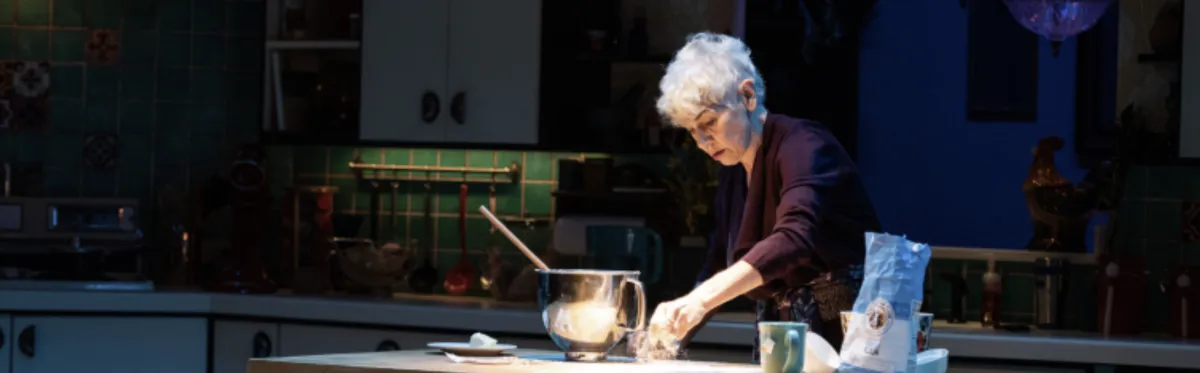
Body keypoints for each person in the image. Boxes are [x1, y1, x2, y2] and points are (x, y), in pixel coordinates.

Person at [648, 32, 882, 362]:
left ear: (747, 96)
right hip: (781, 338)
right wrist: (669, 334)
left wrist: (700, 300)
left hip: (843, 337)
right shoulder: (732, 169)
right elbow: (720, 261)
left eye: (710, 122)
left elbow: (795, 237)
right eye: (692, 130)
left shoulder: (803, 144)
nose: (702, 141)